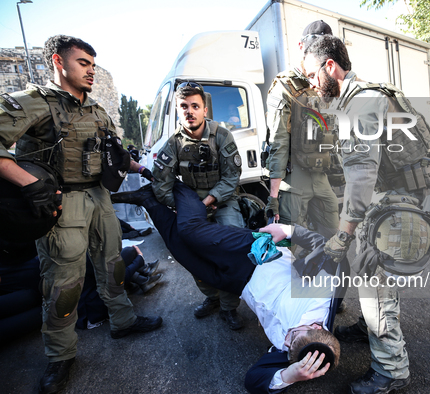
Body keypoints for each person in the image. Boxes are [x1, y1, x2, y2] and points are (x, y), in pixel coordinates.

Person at [0, 35, 162, 394]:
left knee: (112, 266)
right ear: (59, 62)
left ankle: (123, 321)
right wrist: (28, 183)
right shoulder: (35, 103)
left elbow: (115, 155)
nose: (91, 71)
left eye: (92, 64)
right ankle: (60, 356)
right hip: (61, 203)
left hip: (100, 198)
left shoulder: (98, 111)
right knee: (64, 285)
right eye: (83, 63)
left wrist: (145, 169)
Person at [111, 182, 343, 393]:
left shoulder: (297, 351)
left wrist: (289, 375)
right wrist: (288, 232)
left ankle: (147, 199)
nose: (283, 341)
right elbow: (330, 249)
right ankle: (170, 182)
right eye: (292, 335)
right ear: (315, 325)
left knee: (179, 249)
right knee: (190, 231)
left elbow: (253, 380)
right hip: (254, 255)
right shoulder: (320, 299)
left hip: (236, 284)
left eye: (287, 346)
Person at [302, 35, 430, 393]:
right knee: (375, 278)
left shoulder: (359, 104)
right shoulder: (368, 93)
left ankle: (391, 371)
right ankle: (368, 326)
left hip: (389, 204)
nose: (312, 84)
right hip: (400, 196)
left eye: (313, 75)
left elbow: (361, 178)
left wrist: (343, 234)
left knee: (373, 278)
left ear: (330, 66)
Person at [150, 82, 245, 330]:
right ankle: (212, 297)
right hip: (192, 206)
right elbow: (161, 185)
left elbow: (232, 177)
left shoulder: (222, 136)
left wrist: (207, 202)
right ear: (178, 111)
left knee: (231, 248)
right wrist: (184, 207)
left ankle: (229, 306)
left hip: (223, 200)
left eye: (195, 106)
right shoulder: (173, 144)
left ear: (205, 110)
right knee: (191, 251)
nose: (190, 111)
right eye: (184, 106)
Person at [264, 20, 340, 239]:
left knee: (332, 238)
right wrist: (274, 197)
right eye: (314, 48)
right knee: (292, 245)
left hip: (321, 177)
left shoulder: (326, 83)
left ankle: (326, 273)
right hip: (294, 181)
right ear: (301, 47)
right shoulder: (284, 86)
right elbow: (278, 143)